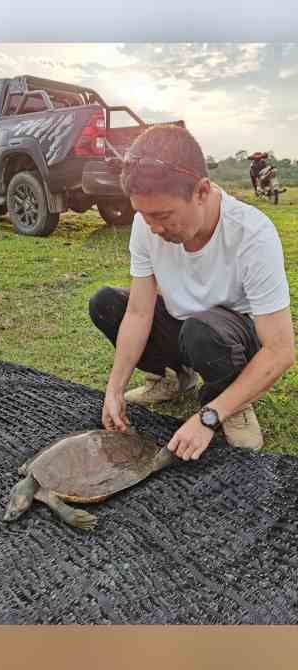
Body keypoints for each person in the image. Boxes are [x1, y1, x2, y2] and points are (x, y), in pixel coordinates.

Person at [89, 124, 294, 459]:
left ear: (201, 191)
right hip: (182, 327)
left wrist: (209, 417)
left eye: (163, 215)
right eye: (144, 215)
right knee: (106, 302)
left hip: (229, 339)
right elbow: (139, 312)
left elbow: (280, 350)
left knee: (203, 330)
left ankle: (231, 402)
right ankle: (170, 379)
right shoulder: (146, 226)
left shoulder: (252, 234)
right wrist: (114, 389)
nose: (154, 228)